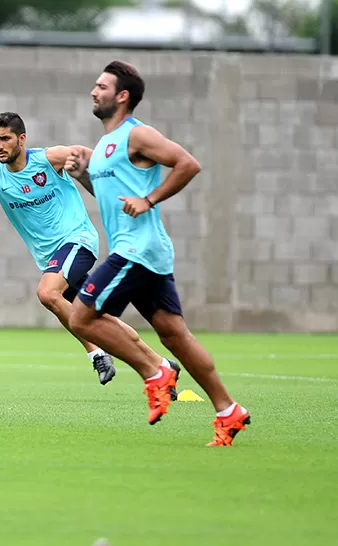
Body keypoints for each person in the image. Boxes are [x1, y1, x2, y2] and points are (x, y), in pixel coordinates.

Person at [65, 60, 250, 446]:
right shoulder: (103, 147)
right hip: (145, 251)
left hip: (137, 249)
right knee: (175, 335)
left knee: (81, 318)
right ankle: (228, 410)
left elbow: (188, 164)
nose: (93, 91)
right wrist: (82, 173)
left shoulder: (138, 135)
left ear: (122, 96)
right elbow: (112, 199)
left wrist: (150, 199)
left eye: (101, 86)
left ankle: (156, 373)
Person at [0, 112, 181, 394]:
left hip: (77, 241)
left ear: (21, 139)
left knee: (47, 293)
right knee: (98, 319)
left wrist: (86, 165)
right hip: (50, 259)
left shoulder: (49, 158)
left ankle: (96, 354)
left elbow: (97, 162)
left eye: (6, 138)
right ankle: (161, 365)